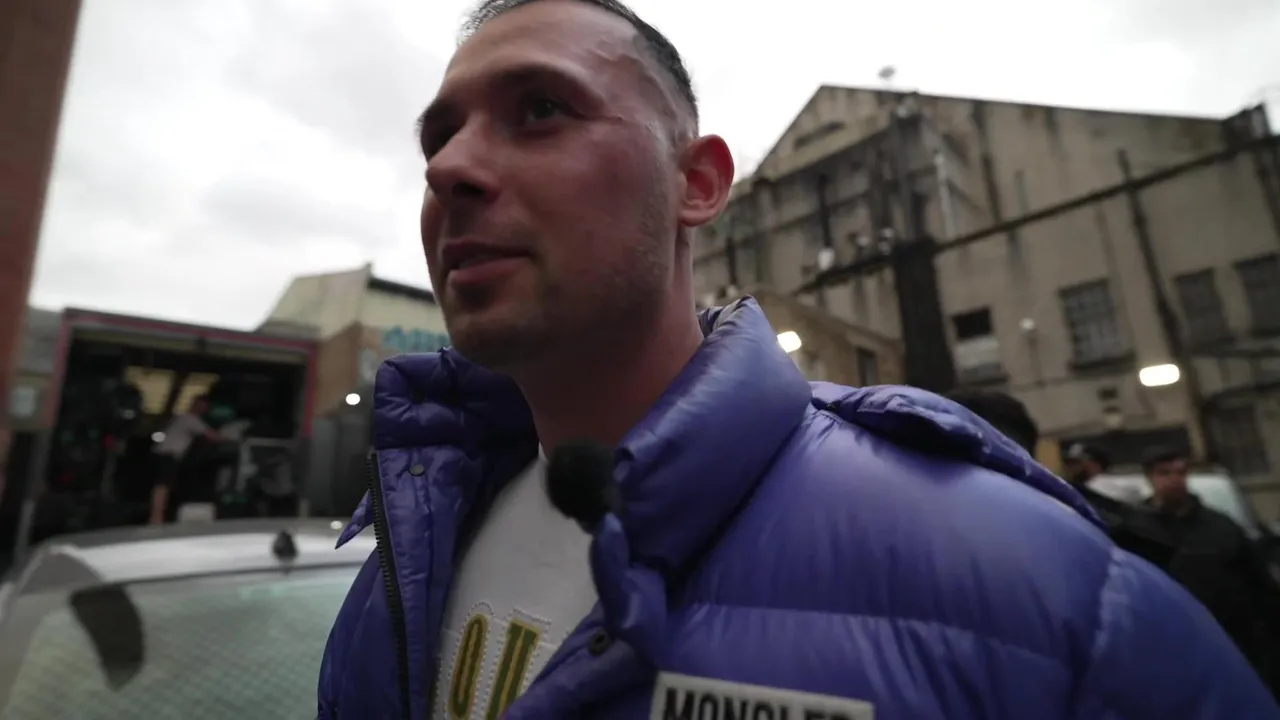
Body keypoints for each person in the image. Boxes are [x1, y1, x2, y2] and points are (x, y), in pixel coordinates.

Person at [317, 0, 1278, 717]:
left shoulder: (1033, 585)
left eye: (539, 110)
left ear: (697, 184)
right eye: (440, 136)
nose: (449, 167)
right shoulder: (408, 547)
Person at [1143, 446, 1280, 696]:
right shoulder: (1137, 530)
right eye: (1165, 473)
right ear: (1150, 478)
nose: (1174, 479)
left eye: (1180, 472)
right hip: (1173, 649)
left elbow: (1260, 584)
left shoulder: (1220, 526)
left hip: (1234, 643)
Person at [149, 395, 221, 525]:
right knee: (162, 486)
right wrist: (232, 436)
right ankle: (156, 518)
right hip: (168, 455)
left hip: (163, 454)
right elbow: (212, 436)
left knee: (164, 486)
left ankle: (157, 516)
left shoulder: (182, 417)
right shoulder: (190, 419)